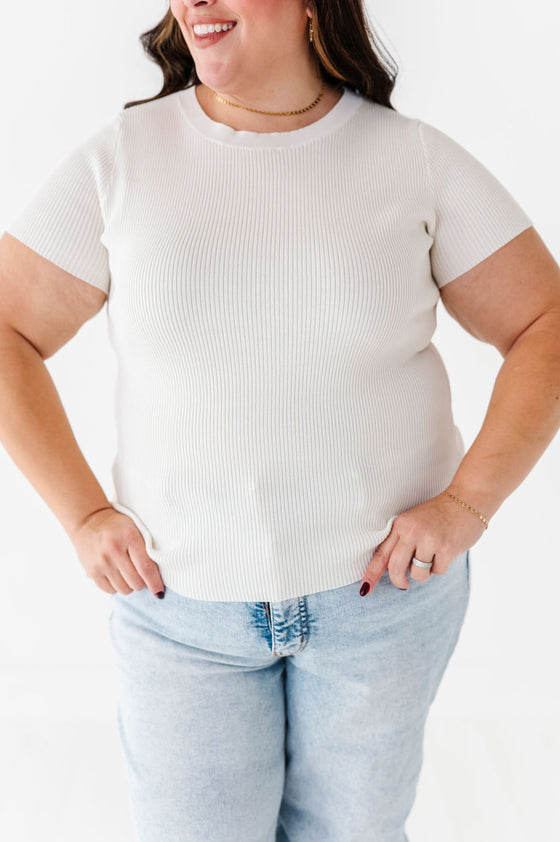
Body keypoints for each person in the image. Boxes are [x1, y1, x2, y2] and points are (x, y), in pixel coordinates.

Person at [0, 1, 559, 840]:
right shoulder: (121, 161)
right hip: (181, 619)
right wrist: (82, 514)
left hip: (383, 611)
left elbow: (543, 323)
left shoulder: (409, 160)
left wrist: (466, 505)